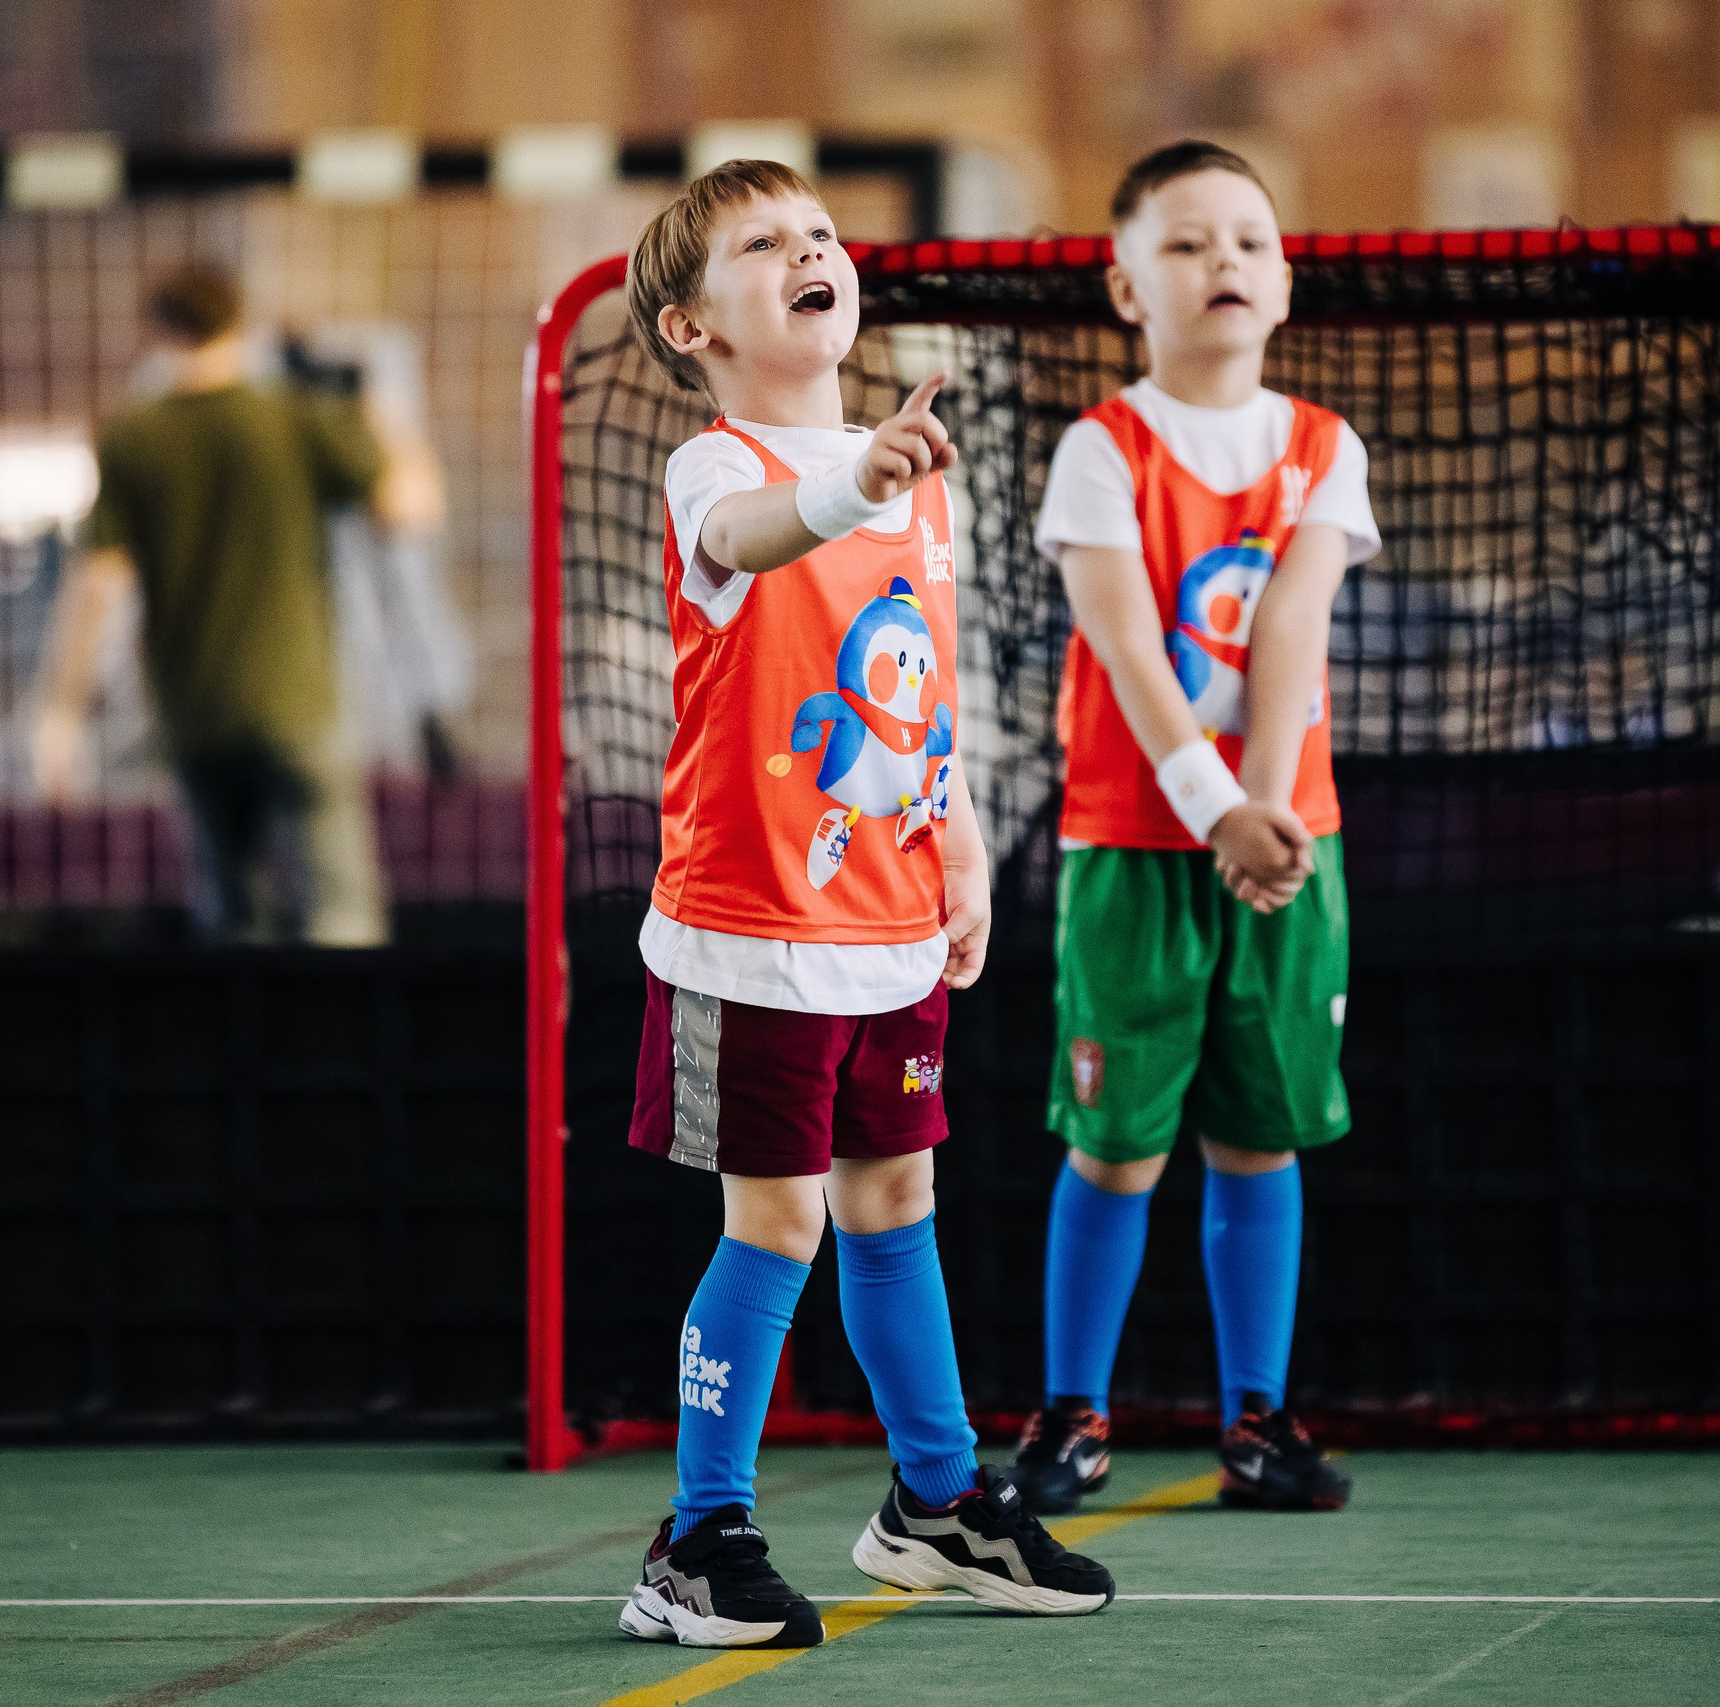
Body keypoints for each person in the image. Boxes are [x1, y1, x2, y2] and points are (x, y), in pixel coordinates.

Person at [614, 159, 1112, 1650]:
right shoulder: (715, 471)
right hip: (746, 926)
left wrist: (955, 842)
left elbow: (922, 690)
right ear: (695, 328)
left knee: (899, 1200)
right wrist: (858, 480)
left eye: (819, 233)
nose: (807, 251)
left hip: (886, 920)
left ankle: (936, 1506)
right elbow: (763, 541)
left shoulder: (918, 471)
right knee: (774, 1225)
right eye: (762, 244)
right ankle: (697, 1540)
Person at [1013, 141, 1377, 1515]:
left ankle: (1257, 1422)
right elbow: (1125, 648)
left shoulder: (1321, 446)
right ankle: (1072, 1415)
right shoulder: (1100, 451)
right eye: (1185, 242)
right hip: (1135, 845)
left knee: (1260, 1136)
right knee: (1116, 1143)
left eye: (1248, 240)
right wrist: (1215, 806)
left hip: (1285, 847)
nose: (1222, 260)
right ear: (1125, 285)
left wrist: (1266, 811)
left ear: (1282, 283)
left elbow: (1292, 626)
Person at [34, 261, 442, 944]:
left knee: (230, 923)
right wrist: (377, 405)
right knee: (342, 915)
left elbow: (94, 586)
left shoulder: (132, 438)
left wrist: (61, 712)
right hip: (298, 705)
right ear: (238, 324)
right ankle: (340, 1047)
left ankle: (243, 1050)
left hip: (192, 714)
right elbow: (411, 507)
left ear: (158, 332)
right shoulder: (295, 418)